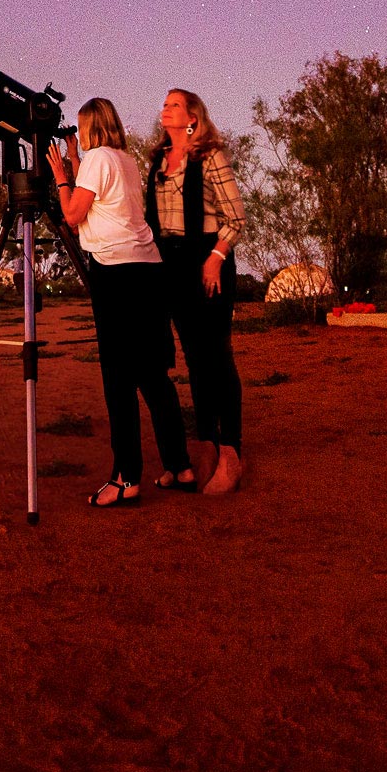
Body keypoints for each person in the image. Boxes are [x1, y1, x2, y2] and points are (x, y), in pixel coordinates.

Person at [48, 97, 194, 507]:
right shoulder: (123, 160)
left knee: (118, 376)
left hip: (117, 273)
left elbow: (75, 213)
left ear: (91, 127)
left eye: (80, 128)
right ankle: (179, 465)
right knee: (152, 373)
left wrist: (61, 175)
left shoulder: (96, 159)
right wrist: (77, 162)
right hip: (148, 270)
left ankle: (126, 477)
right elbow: (100, 196)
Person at [146, 88, 248, 493]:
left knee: (217, 355)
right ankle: (205, 441)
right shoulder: (158, 160)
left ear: (191, 117)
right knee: (193, 358)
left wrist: (216, 257)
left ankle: (231, 451)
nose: (164, 108)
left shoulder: (209, 157)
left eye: (173, 104)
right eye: (164, 104)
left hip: (207, 262)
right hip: (170, 263)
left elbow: (236, 217)